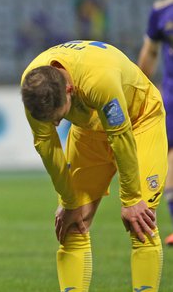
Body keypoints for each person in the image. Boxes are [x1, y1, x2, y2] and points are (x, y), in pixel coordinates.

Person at [20, 40, 167, 292]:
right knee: (73, 225)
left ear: (69, 89)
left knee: (140, 221)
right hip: (89, 131)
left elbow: (121, 137)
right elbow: (46, 146)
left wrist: (132, 199)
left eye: (59, 115)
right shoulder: (34, 86)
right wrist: (69, 202)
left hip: (139, 121)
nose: (55, 124)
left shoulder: (99, 79)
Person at [137, 0, 173, 247]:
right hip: (172, 97)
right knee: (169, 155)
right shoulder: (161, 10)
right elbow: (150, 52)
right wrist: (139, 90)